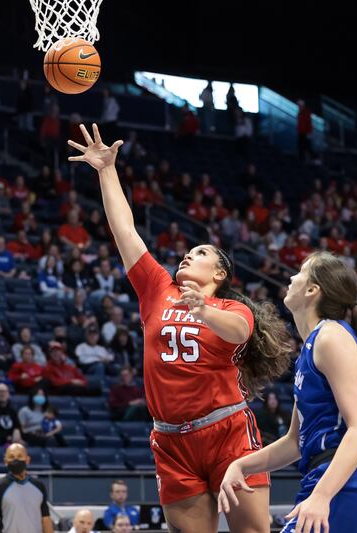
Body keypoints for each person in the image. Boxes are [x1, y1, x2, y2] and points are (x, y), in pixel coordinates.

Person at [69, 124, 293, 532]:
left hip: (226, 431)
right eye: (187, 253)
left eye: (200, 253)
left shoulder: (232, 308)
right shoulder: (157, 288)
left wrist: (204, 312)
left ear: (221, 272)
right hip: (171, 441)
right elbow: (125, 230)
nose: (187, 256)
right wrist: (105, 171)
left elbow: (239, 333)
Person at [219, 251, 357, 532]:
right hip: (349, 476)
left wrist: (321, 496)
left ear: (312, 290)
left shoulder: (330, 337)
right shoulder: (316, 345)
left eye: (300, 271)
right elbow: (294, 442)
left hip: (352, 478)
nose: (291, 277)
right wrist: (241, 466)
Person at [0, 444, 53, 533]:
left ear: (27, 460)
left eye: (20, 456)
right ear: (5, 461)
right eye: (11, 457)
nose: (16, 460)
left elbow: (46, 520)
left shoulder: (39, 486)